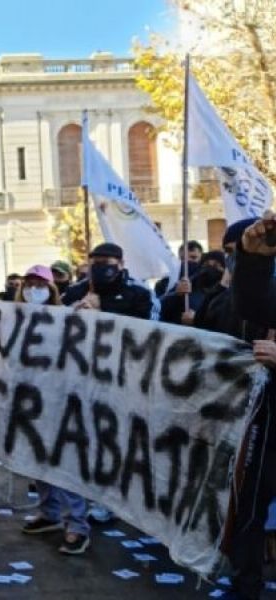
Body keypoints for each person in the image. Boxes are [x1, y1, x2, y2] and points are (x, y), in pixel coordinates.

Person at [62, 243, 153, 530]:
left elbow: (146, 332)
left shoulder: (138, 294)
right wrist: (73, 314)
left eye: (107, 262)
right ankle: (90, 497)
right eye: (95, 262)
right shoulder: (77, 292)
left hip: (122, 378)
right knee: (86, 440)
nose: (101, 267)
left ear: (121, 264)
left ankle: (113, 501)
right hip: (83, 377)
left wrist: (104, 313)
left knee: (115, 440)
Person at [14, 266, 92, 554]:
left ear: (51, 288)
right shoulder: (14, 317)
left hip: (62, 400)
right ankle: (50, 513)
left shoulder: (67, 316)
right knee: (39, 461)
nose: (34, 288)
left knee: (65, 462)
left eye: (40, 284)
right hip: (29, 401)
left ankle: (77, 525)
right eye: (29, 283)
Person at [219, 214, 276, 600]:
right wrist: (253, 260)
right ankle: (246, 583)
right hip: (268, 420)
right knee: (251, 505)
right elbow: (255, 307)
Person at [159, 250, 225, 326]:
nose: (210, 268)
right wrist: (176, 294)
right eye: (206, 265)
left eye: (216, 266)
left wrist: (197, 319)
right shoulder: (186, 285)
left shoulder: (228, 293)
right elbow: (157, 308)